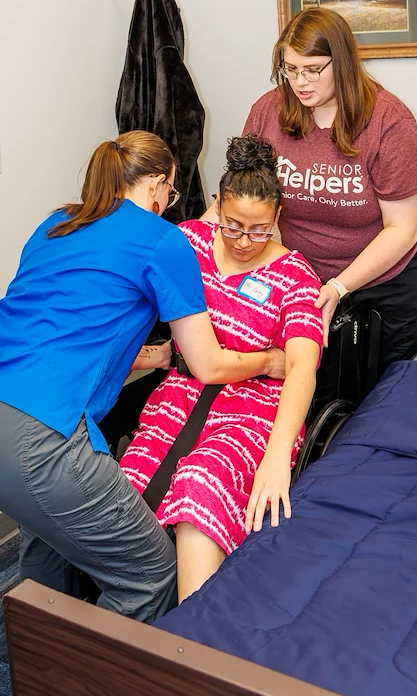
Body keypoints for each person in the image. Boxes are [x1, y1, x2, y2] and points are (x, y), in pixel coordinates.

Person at [0, 131, 286, 624]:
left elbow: (60, 332)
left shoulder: (58, 222)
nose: (169, 202)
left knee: (50, 533)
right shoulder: (165, 240)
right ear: (156, 184)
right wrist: (269, 361)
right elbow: (209, 366)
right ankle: (90, 673)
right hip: (27, 432)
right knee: (152, 574)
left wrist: (154, 357)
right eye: (171, 192)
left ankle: (42, 647)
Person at [120, 135, 323, 603]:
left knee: (201, 484)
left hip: (255, 413)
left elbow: (301, 368)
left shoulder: (296, 276)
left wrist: (278, 456)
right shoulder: (187, 243)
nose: (245, 242)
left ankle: (194, 630)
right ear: (217, 205)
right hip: (179, 397)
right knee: (127, 490)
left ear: (278, 217)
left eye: (260, 230)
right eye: (233, 226)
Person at [243, 7, 417, 374]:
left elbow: (402, 229)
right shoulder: (269, 111)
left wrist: (339, 286)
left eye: (313, 69)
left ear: (342, 63)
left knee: (382, 387)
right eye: (290, 69)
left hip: (388, 279)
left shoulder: (389, 120)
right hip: (307, 276)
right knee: (318, 384)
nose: (300, 82)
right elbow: (243, 197)